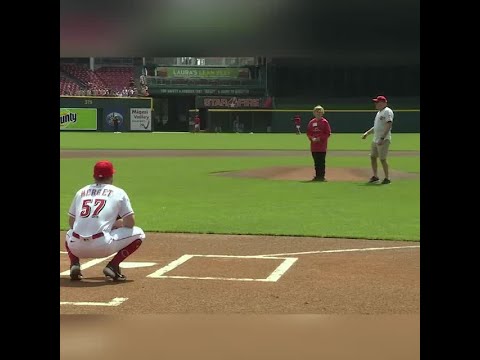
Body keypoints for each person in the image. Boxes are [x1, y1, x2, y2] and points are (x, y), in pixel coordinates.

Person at [65, 160, 146, 281]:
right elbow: (130, 223)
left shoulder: (81, 192)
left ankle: (74, 264)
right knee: (139, 233)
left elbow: (71, 222)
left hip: (76, 247)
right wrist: (113, 224)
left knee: (69, 233)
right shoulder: (118, 192)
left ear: (94, 176)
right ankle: (113, 266)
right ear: (111, 176)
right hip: (102, 246)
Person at [361, 95, 394, 184]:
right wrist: (367, 133)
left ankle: (387, 178)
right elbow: (376, 127)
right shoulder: (379, 112)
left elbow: (389, 125)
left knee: (382, 159)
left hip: (383, 139)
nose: (376, 104)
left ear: (384, 103)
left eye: (377, 102)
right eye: (376, 102)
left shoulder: (387, 111)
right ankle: (375, 176)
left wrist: (382, 138)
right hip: (375, 139)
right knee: (373, 157)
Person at [306, 105, 332, 181]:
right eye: (316, 112)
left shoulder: (324, 122)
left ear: (322, 113)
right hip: (314, 146)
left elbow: (328, 133)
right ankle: (317, 176)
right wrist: (312, 138)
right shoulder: (312, 122)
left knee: (321, 162)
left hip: (322, 146)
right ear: (314, 113)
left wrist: (320, 139)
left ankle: (322, 177)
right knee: (316, 162)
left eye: (320, 112)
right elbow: (308, 133)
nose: (318, 113)